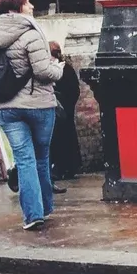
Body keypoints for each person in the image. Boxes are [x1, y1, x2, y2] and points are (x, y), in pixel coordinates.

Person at [0, 0, 63, 231]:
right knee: (40, 158)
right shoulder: (31, 34)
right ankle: (44, 208)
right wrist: (60, 68)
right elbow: (43, 72)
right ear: (18, 7)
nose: (31, 6)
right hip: (37, 104)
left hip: (7, 106)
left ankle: (33, 215)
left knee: (24, 159)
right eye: (27, 2)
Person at [48, 41, 81, 184]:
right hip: (62, 108)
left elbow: (72, 90)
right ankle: (67, 167)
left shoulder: (62, 69)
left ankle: (64, 167)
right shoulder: (64, 68)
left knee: (62, 139)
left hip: (62, 109)